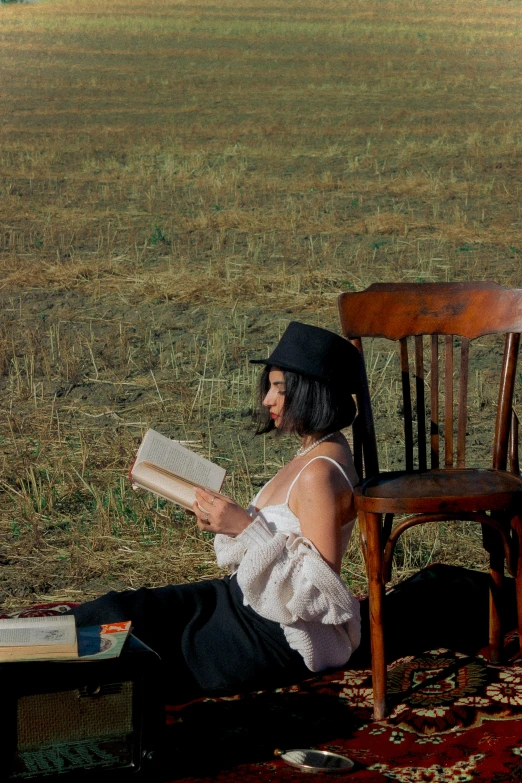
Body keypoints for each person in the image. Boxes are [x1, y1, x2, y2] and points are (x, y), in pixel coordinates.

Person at [71, 322, 362, 703]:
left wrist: (245, 528)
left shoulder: (319, 474)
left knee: (140, 646)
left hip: (275, 632)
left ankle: (33, 685)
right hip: (240, 601)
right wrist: (226, 521)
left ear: (311, 392)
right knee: (120, 610)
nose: (267, 401)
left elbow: (323, 598)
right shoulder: (314, 452)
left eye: (280, 389)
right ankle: (30, 655)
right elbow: (277, 542)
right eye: (269, 387)